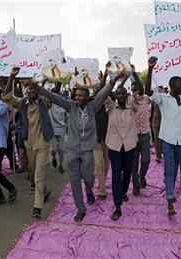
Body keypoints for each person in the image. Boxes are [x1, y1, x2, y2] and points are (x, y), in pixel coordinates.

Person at [35, 70, 122, 223]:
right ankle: (81, 209)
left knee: (88, 177)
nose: (77, 97)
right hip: (72, 149)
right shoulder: (71, 106)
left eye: (81, 95)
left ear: (87, 97)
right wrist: (38, 88)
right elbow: (54, 97)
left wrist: (112, 81)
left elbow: (103, 94)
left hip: (88, 149)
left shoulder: (93, 107)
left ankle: (89, 190)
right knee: (75, 180)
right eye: (76, 95)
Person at [145, 56, 181, 217]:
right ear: (172, 86)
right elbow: (147, 91)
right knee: (169, 170)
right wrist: (150, 68)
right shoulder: (163, 99)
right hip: (167, 141)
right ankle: (170, 201)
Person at [3, 68, 52, 219]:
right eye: (29, 90)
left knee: (38, 175)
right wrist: (12, 76)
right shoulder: (23, 104)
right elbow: (6, 96)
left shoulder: (44, 103)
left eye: (34, 89)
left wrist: (40, 84)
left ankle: (37, 207)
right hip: (28, 144)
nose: (31, 92)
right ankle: (45, 190)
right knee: (33, 170)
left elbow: (51, 94)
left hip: (43, 144)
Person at [105, 75, 141, 220]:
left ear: (127, 95)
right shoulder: (110, 106)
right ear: (115, 95)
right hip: (114, 147)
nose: (120, 95)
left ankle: (123, 192)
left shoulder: (132, 106)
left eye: (123, 93)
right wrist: (110, 77)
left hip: (130, 145)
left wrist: (134, 74)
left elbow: (141, 89)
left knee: (127, 173)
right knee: (116, 175)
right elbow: (103, 91)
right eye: (118, 93)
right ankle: (117, 206)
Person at [130, 64, 151, 196]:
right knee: (133, 163)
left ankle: (142, 176)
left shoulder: (145, 99)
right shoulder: (127, 100)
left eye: (136, 88)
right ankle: (136, 185)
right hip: (132, 137)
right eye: (132, 89)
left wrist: (134, 73)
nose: (135, 90)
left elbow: (143, 88)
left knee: (146, 160)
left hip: (144, 135)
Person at [93, 69, 111, 200]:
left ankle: (102, 182)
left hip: (108, 137)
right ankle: (102, 189)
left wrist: (105, 78)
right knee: (99, 164)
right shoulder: (92, 104)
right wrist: (104, 76)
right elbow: (100, 90)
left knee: (106, 162)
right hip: (96, 138)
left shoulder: (110, 104)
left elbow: (108, 90)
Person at [49, 82, 68, 174]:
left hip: (62, 130)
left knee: (61, 150)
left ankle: (60, 165)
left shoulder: (64, 105)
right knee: (53, 150)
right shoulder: (50, 105)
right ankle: (53, 157)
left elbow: (67, 119)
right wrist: (59, 81)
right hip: (52, 130)